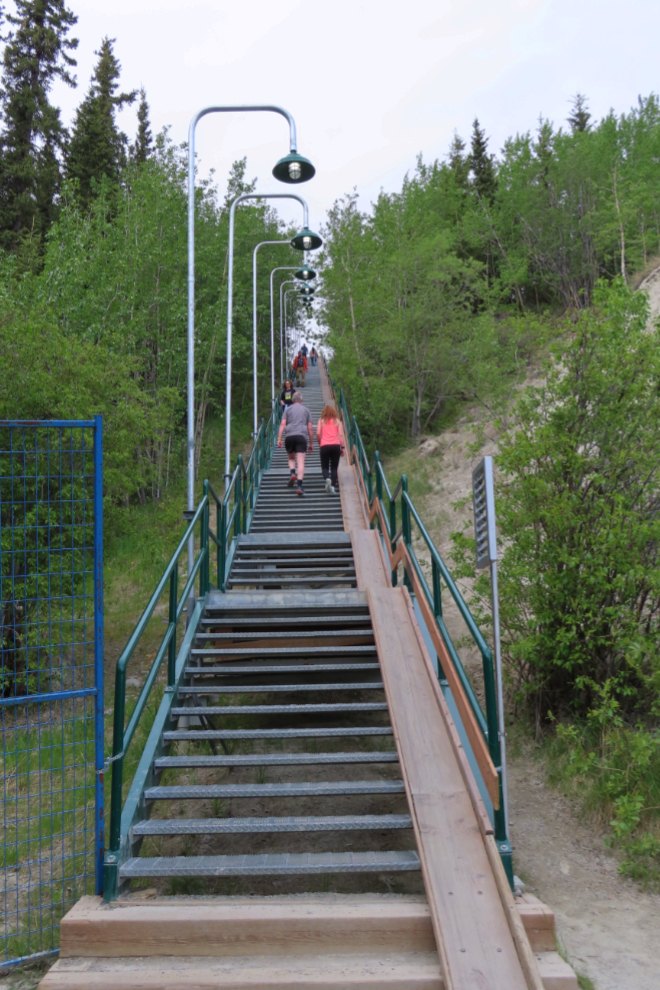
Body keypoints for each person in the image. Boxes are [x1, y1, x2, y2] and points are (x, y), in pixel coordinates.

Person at [277, 392, 314, 496]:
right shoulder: (306, 410)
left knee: (291, 458)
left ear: (292, 400)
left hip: (289, 436)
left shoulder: (287, 410)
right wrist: (311, 443)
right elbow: (310, 428)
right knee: (301, 461)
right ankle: (299, 486)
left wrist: (279, 438)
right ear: (301, 400)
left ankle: (292, 473)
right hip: (301, 436)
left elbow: (283, 423)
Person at [316, 404, 345, 494]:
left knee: (324, 467)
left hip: (324, 445)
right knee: (334, 467)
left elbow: (317, 433)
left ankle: (327, 479)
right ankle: (332, 487)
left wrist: (320, 442)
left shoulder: (321, 421)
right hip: (335, 445)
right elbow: (340, 435)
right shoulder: (337, 421)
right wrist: (342, 447)